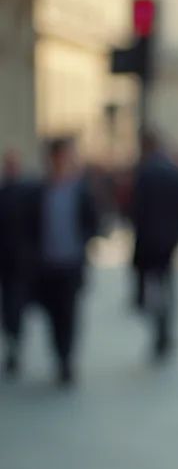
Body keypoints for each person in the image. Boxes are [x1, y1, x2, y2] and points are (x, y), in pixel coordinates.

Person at [27, 137, 99, 386]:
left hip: (71, 263)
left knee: (69, 313)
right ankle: (59, 355)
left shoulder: (80, 190)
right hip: (46, 265)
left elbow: (92, 221)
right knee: (53, 315)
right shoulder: (39, 191)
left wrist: (85, 245)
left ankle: (67, 359)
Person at [130, 129, 178, 360]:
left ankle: (159, 332)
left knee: (154, 288)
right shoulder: (174, 172)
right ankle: (167, 330)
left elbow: (137, 212)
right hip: (169, 242)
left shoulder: (144, 173)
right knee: (168, 287)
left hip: (149, 243)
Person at [0, 149, 34, 378]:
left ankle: (17, 340)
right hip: (6, 260)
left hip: (22, 261)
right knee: (9, 305)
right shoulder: (4, 193)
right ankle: (13, 340)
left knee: (17, 304)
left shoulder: (27, 193)